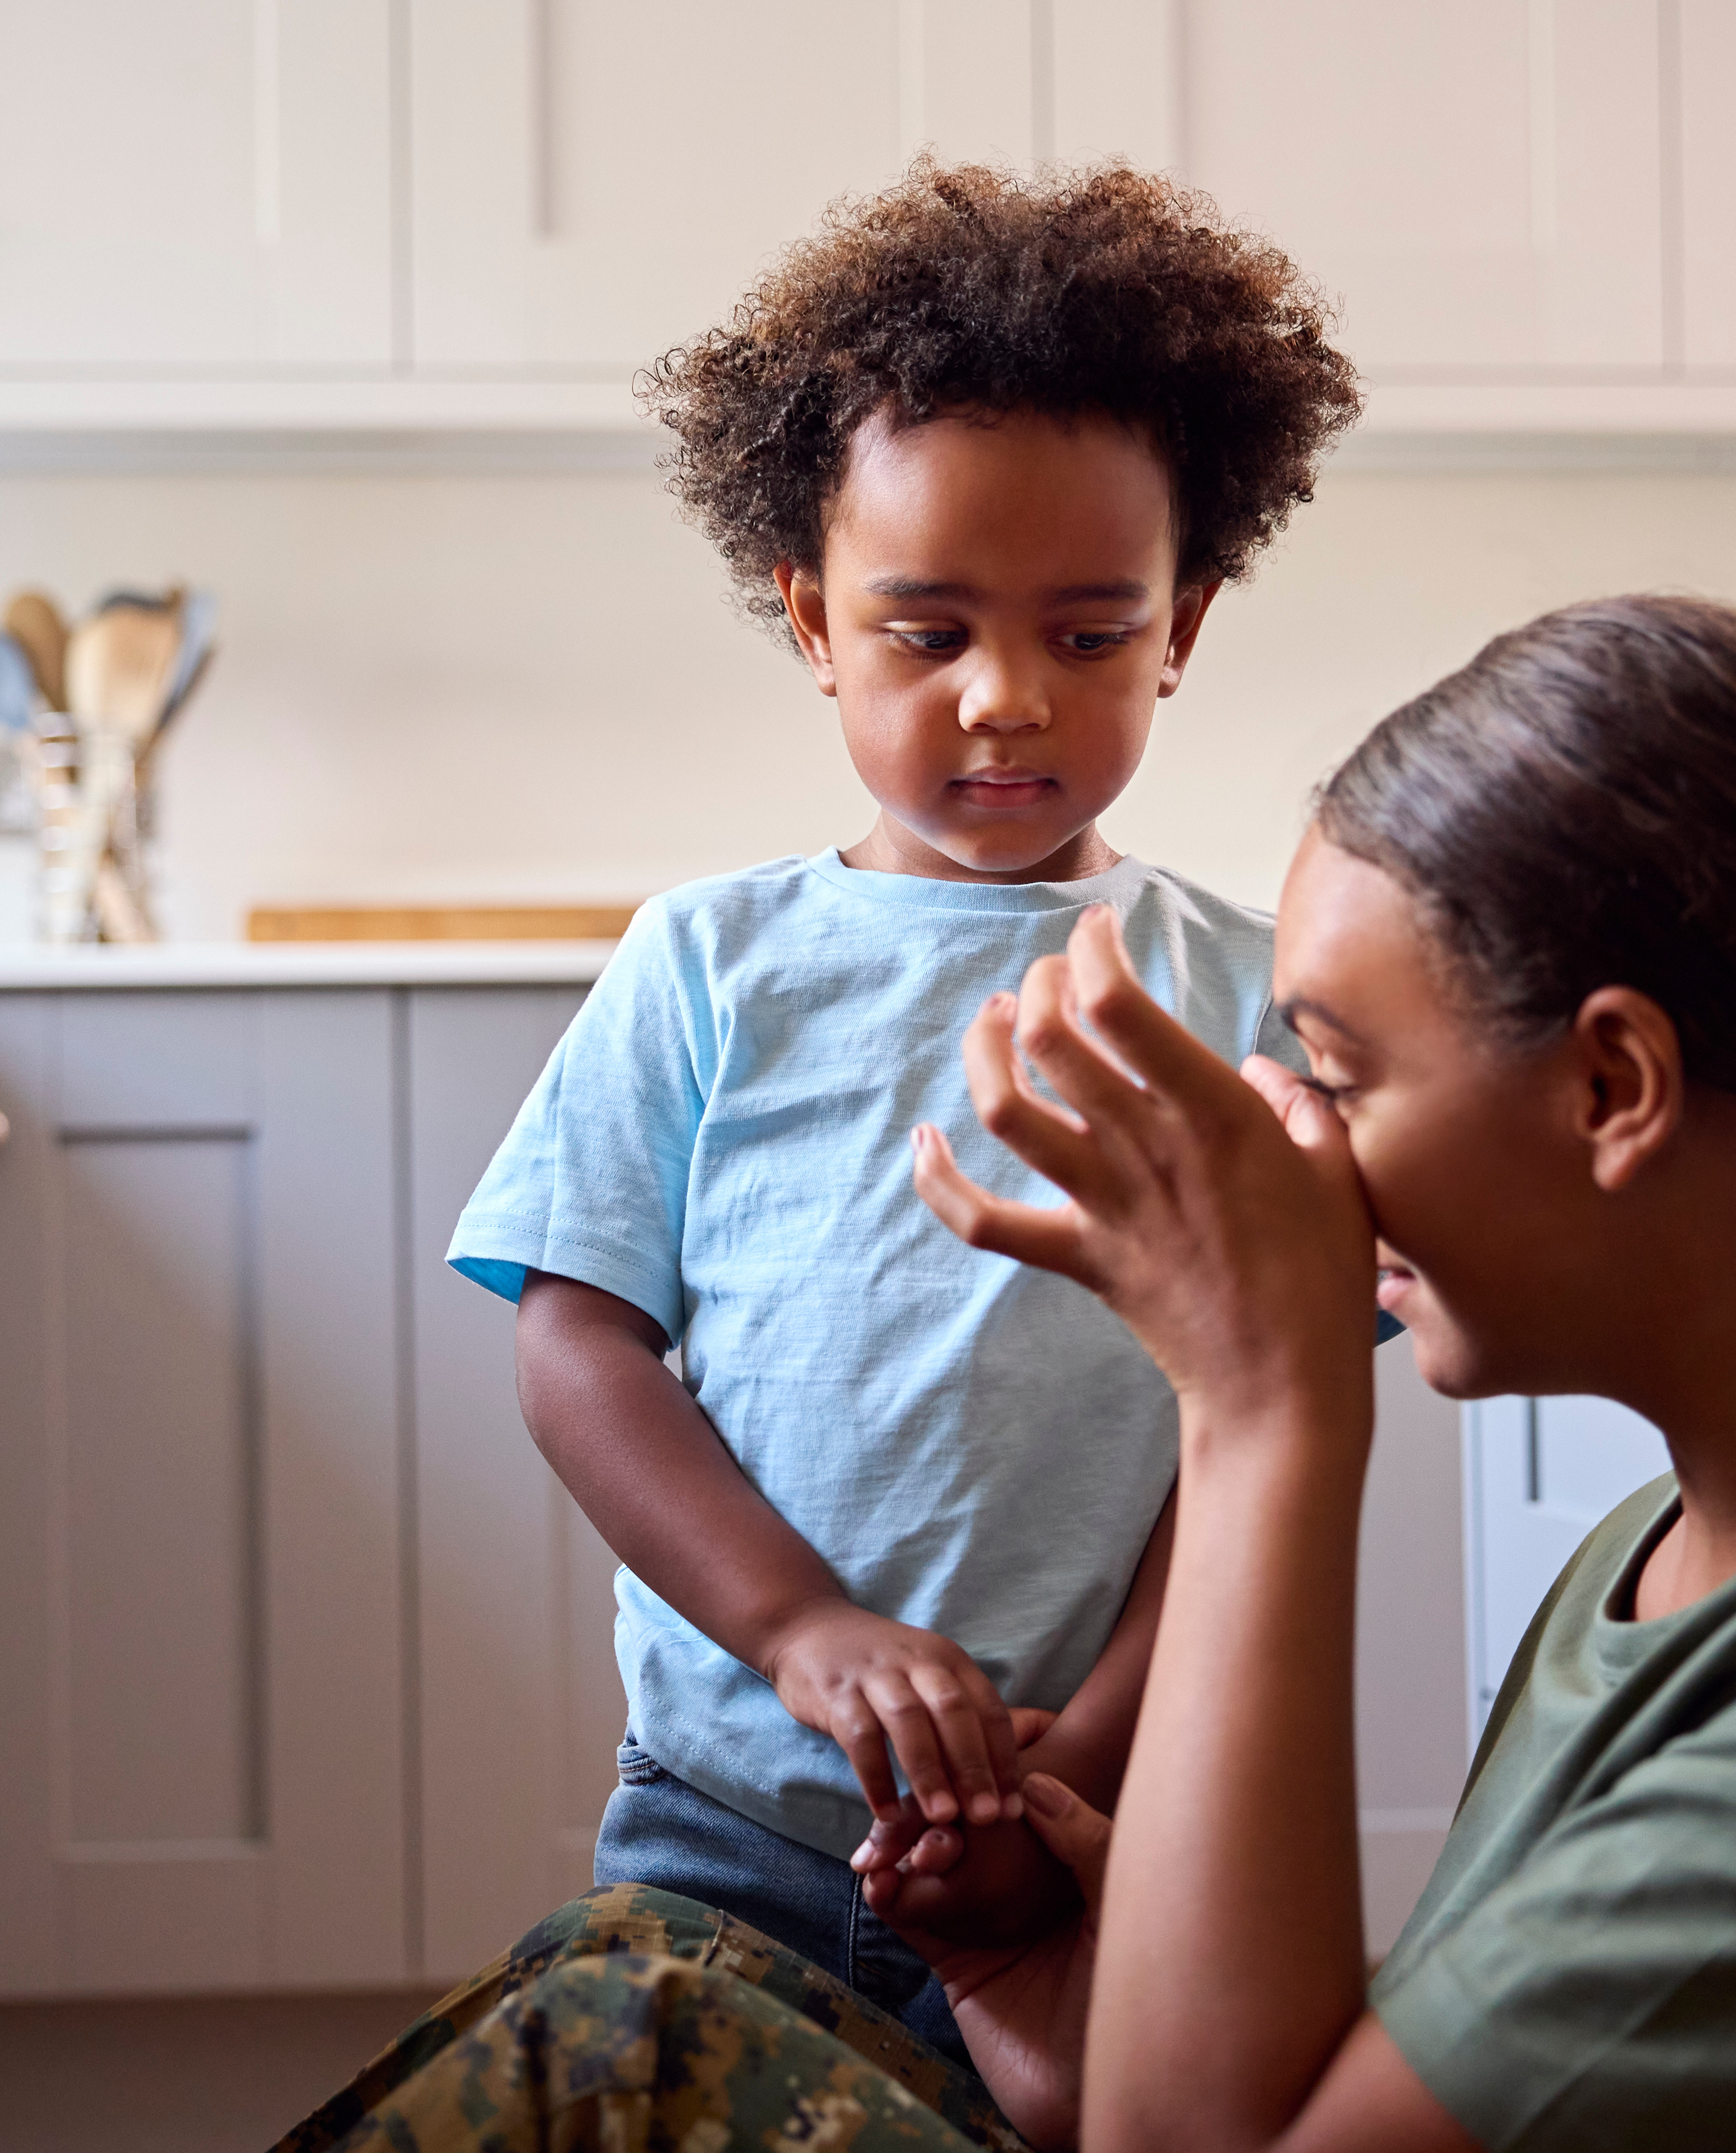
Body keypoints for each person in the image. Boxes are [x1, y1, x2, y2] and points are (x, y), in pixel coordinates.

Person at [289, 595, 1736, 2152]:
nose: (1296, 1142)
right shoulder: (1665, 1551)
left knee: (612, 2054)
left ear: (1613, 1082)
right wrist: (1043, 1965)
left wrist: (1267, 1406)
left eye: (1334, 1073)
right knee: (617, 1981)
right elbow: (1335, 2083)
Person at [436, 158, 1364, 2060]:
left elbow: (1273, 1413)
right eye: (926, 632)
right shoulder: (707, 961)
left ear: (1182, 624)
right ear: (812, 620)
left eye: (1089, 635)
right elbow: (576, 1346)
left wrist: (1087, 1750)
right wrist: (800, 1632)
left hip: (1108, 1812)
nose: (1005, 699)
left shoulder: (1257, 990)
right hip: (725, 1822)